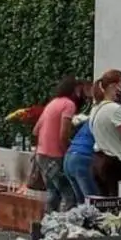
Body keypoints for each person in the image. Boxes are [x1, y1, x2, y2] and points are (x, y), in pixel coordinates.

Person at [33, 76, 79, 212]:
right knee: (68, 194)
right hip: (55, 155)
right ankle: (64, 226)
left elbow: (35, 130)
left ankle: (47, 225)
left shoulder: (52, 103)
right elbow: (63, 133)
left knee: (52, 192)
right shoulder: (69, 105)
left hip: (42, 154)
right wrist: (67, 149)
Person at [90, 69, 121, 196]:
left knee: (106, 204)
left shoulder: (96, 108)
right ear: (112, 86)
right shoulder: (115, 109)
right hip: (118, 162)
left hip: (100, 160)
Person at [63, 80, 98, 203]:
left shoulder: (88, 120)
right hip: (82, 160)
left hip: (69, 158)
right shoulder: (103, 119)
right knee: (93, 202)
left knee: (81, 203)